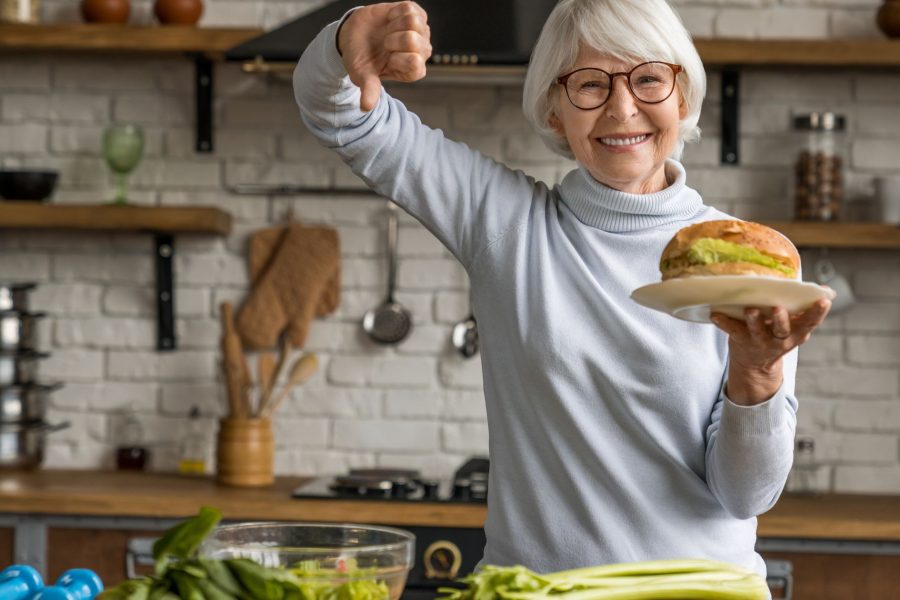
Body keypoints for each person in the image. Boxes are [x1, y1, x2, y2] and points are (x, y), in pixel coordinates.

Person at [293, 0, 831, 578]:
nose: (622, 107)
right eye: (590, 84)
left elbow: (747, 496)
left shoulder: (746, 260)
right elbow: (343, 117)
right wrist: (345, 40)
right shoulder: (507, 225)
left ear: (682, 96)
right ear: (554, 110)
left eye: (649, 78)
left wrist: (758, 374)